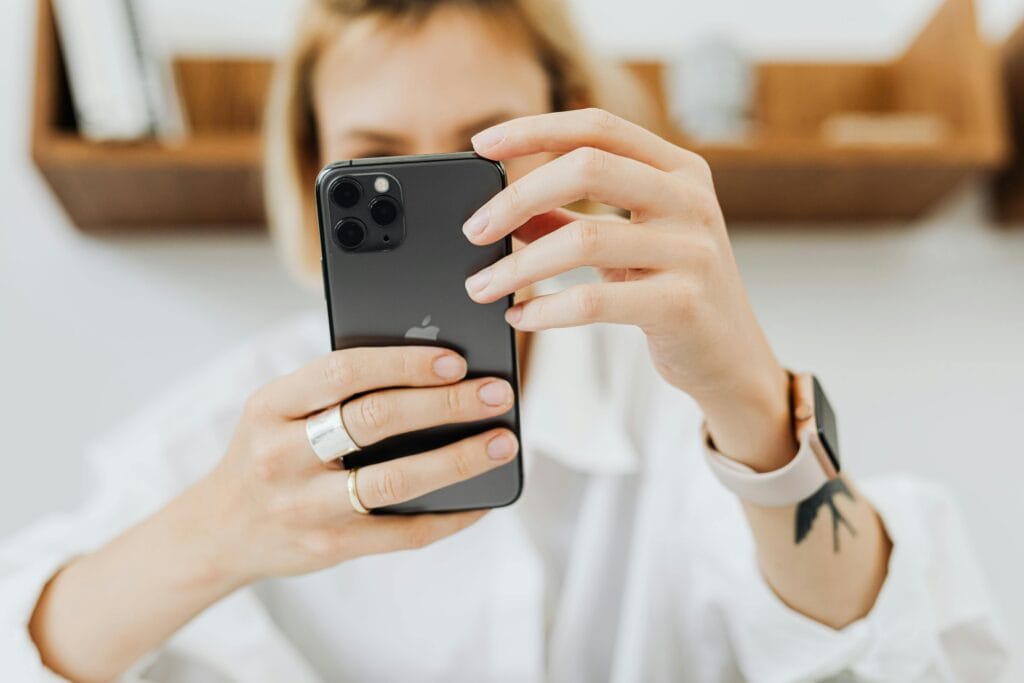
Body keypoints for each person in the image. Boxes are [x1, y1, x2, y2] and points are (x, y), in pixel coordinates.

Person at [1, 0, 1008, 681]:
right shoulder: (227, 434)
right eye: (378, 163)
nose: (450, 209)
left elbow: (911, 658)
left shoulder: (674, 403)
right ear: (312, 170)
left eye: (487, 154)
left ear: (566, 146)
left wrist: (751, 399)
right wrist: (207, 534)